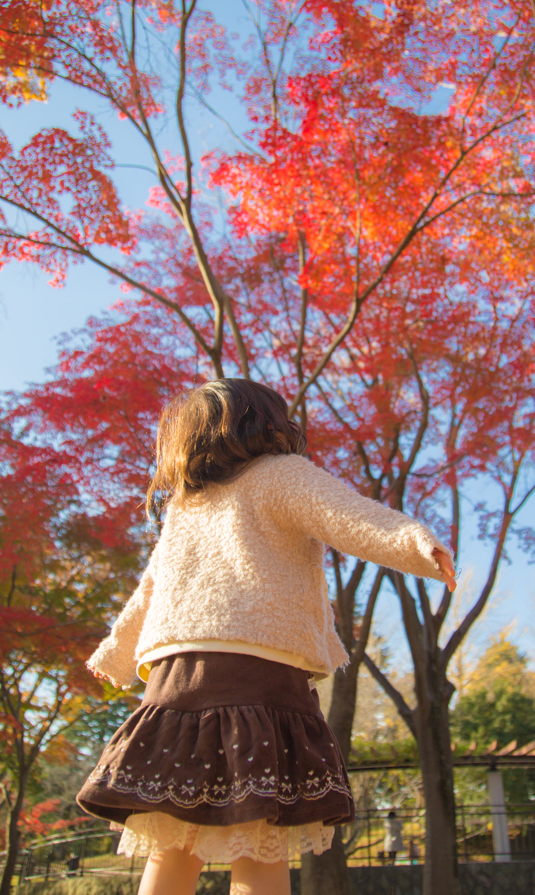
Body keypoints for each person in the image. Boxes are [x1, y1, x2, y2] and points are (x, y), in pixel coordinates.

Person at [76, 379, 456, 895]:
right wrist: (416, 544)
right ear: (266, 422)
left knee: (173, 844)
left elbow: (152, 587)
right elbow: (346, 513)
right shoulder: (280, 474)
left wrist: (117, 653)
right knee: (259, 838)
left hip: (175, 683)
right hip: (257, 675)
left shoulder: (187, 505)